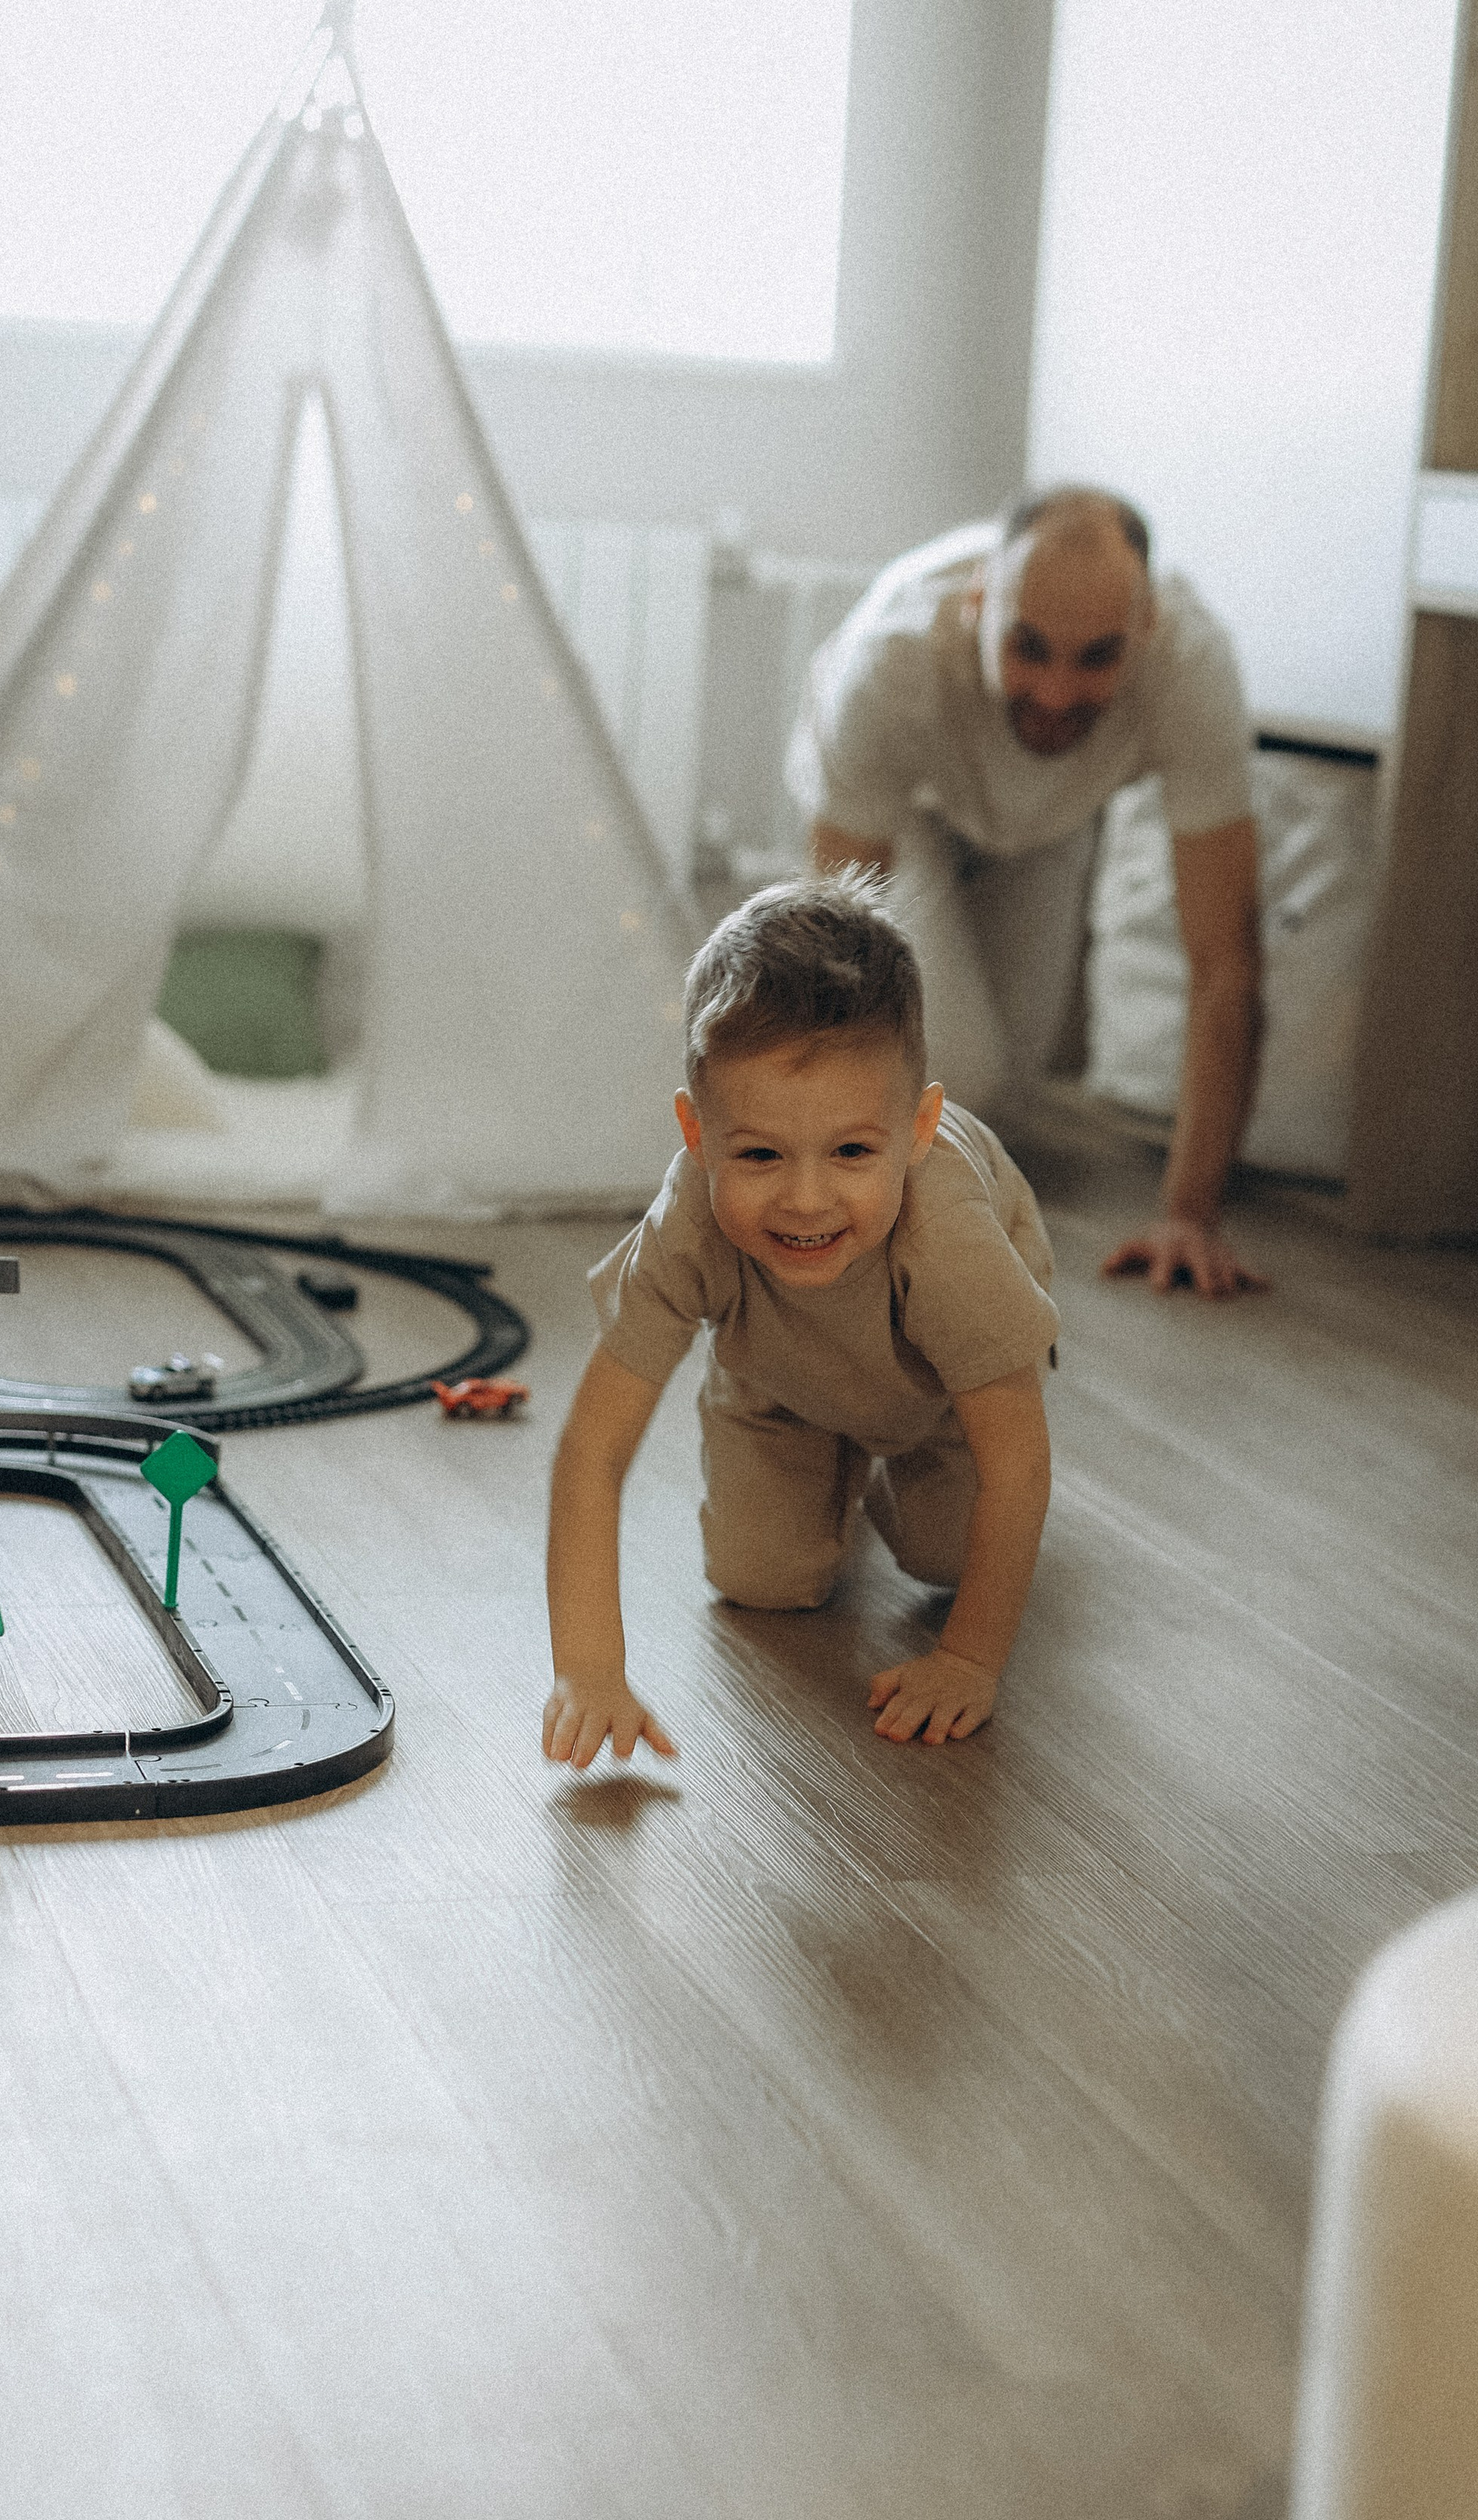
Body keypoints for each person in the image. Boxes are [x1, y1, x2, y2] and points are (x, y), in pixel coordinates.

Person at [544, 876, 1058, 1772]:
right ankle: (822, 1458)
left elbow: (1018, 1461)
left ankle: (880, 1470)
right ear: (698, 1134)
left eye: (854, 1151)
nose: (807, 1198)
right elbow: (593, 1450)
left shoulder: (949, 1239)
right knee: (761, 1583)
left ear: (919, 1127)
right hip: (779, 1377)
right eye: (759, 1154)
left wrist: (969, 1660)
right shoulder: (690, 1224)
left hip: (942, 1391)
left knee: (949, 1558)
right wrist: (589, 1671)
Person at [788, 484, 1266, 1297]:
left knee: (1005, 1091)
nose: (1053, 693)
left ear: (1145, 631)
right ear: (977, 605)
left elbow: (1226, 962)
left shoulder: (1193, 669)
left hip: (1048, 822)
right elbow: (834, 958)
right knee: (960, 1072)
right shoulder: (889, 663)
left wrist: (1189, 1215)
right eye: (1028, 647)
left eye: (1095, 659)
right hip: (905, 813)